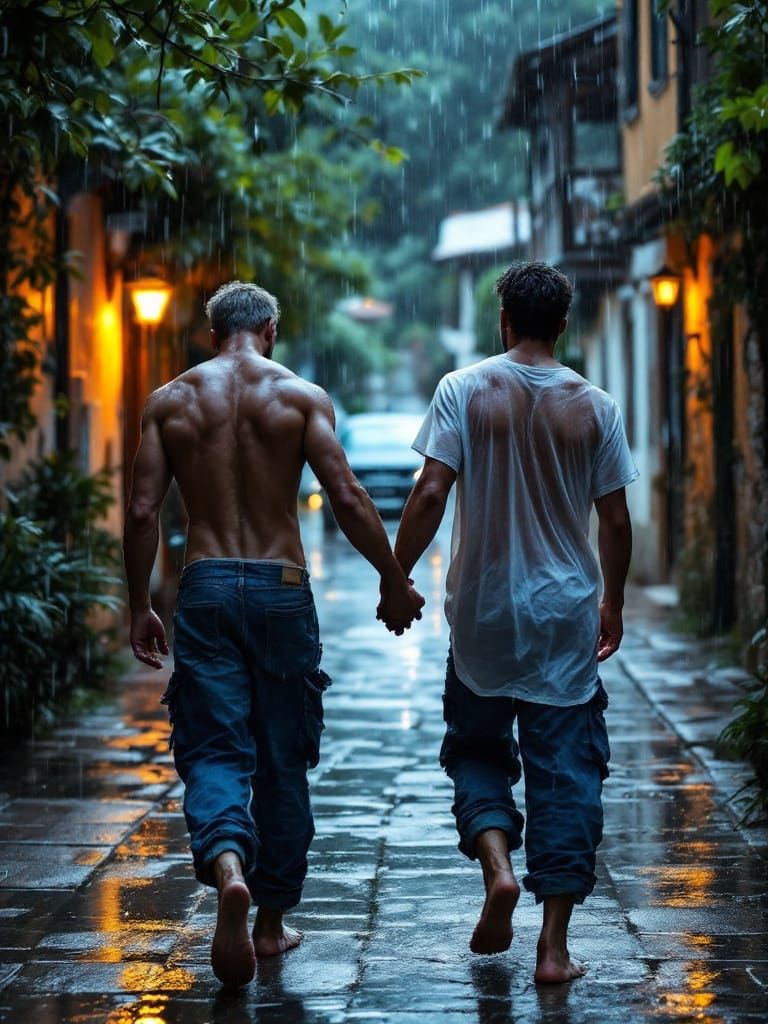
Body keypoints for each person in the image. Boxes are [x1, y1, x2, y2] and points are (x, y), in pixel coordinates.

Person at [123, 281, 424, 989]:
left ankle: (230, 865)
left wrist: (139, 603)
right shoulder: (299, 396)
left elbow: (141, 510)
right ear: (269, 330)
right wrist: (392, 577)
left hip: (203, 584)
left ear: (212, 334)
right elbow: (346, 494)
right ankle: (268, 922)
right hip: (281, 587)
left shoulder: (170, 401)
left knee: (214, 748)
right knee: (283, 758)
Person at [381, 261, 637, 984]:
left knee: (476, 750)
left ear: (503, 320)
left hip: (485, 613)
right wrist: (610, 598)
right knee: (568, 773)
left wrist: (397, 576)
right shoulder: (594, 405)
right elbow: (615, 520)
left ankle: (498, 869)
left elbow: (431, 492)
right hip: (564, 616)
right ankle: (553, 948)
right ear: (562, 325)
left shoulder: (465, 390)